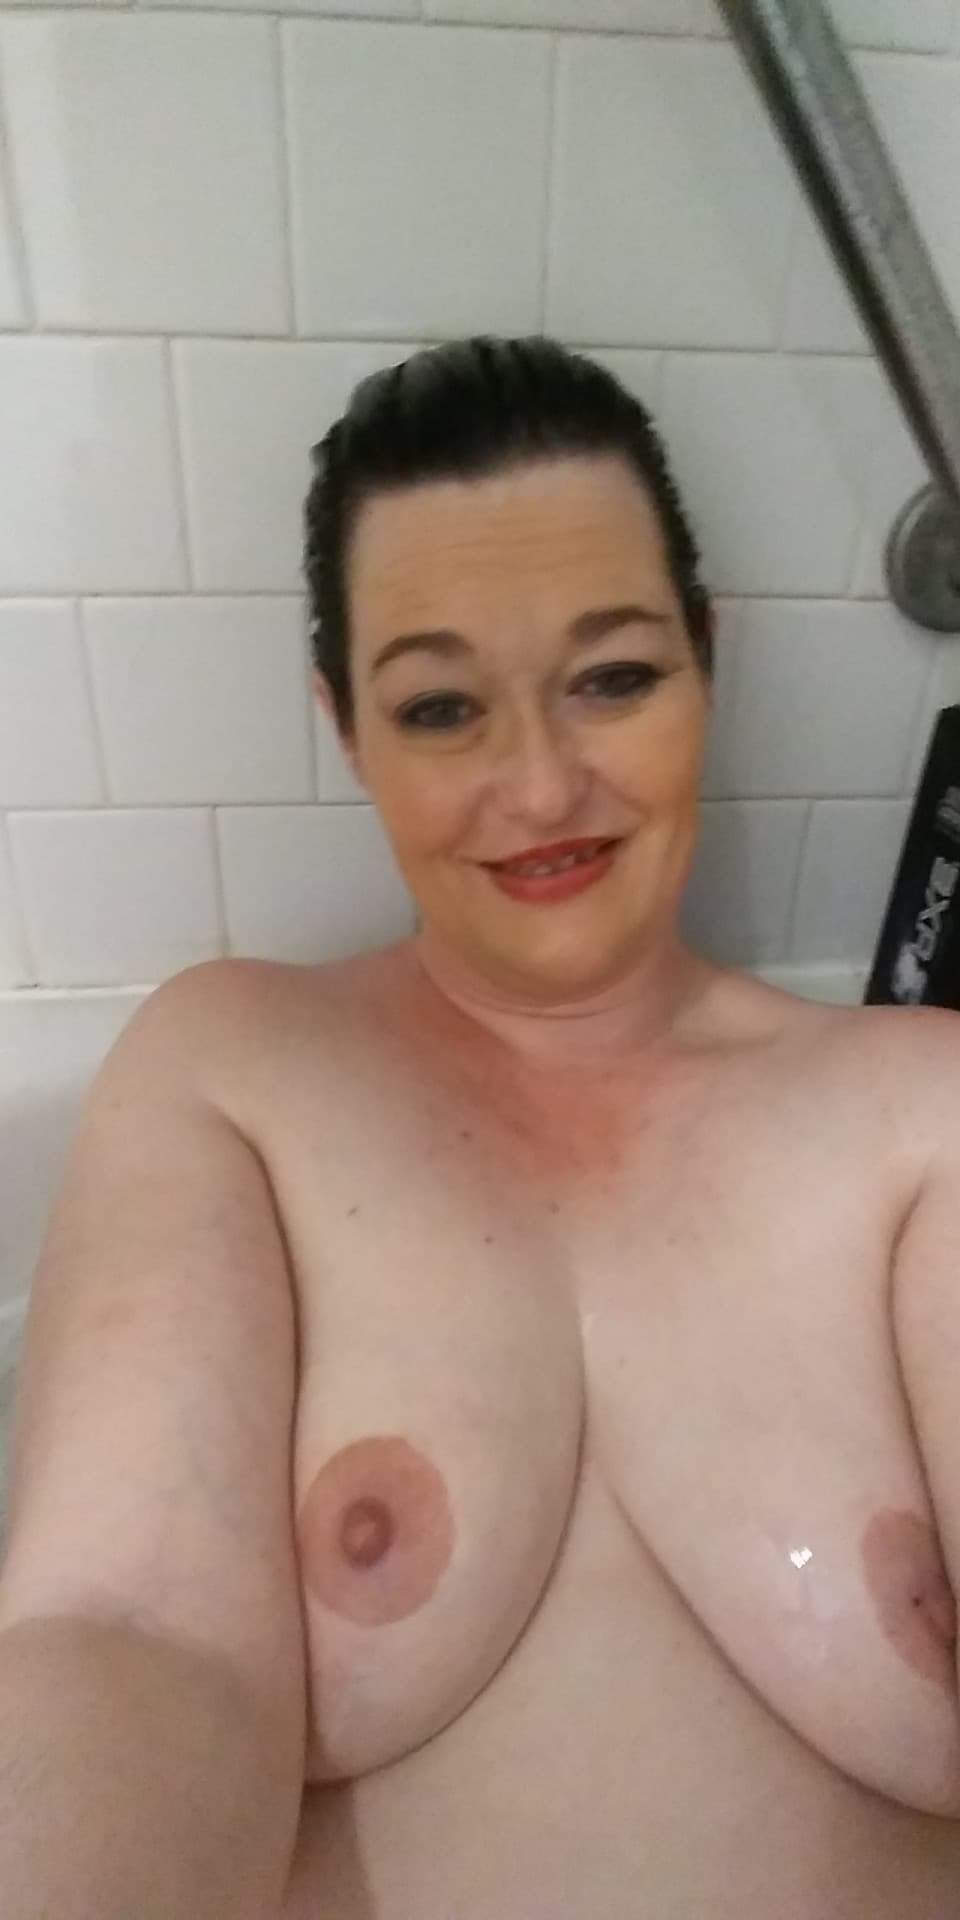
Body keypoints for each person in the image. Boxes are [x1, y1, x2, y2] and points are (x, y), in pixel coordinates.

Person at [0, 334, 958, 1920]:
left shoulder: (920, 1114)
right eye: (442, 708)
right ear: (346, 726)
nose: (541, 787)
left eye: (615, 677)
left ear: (707, 661)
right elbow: (124, 1635)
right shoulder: (239, 1074)